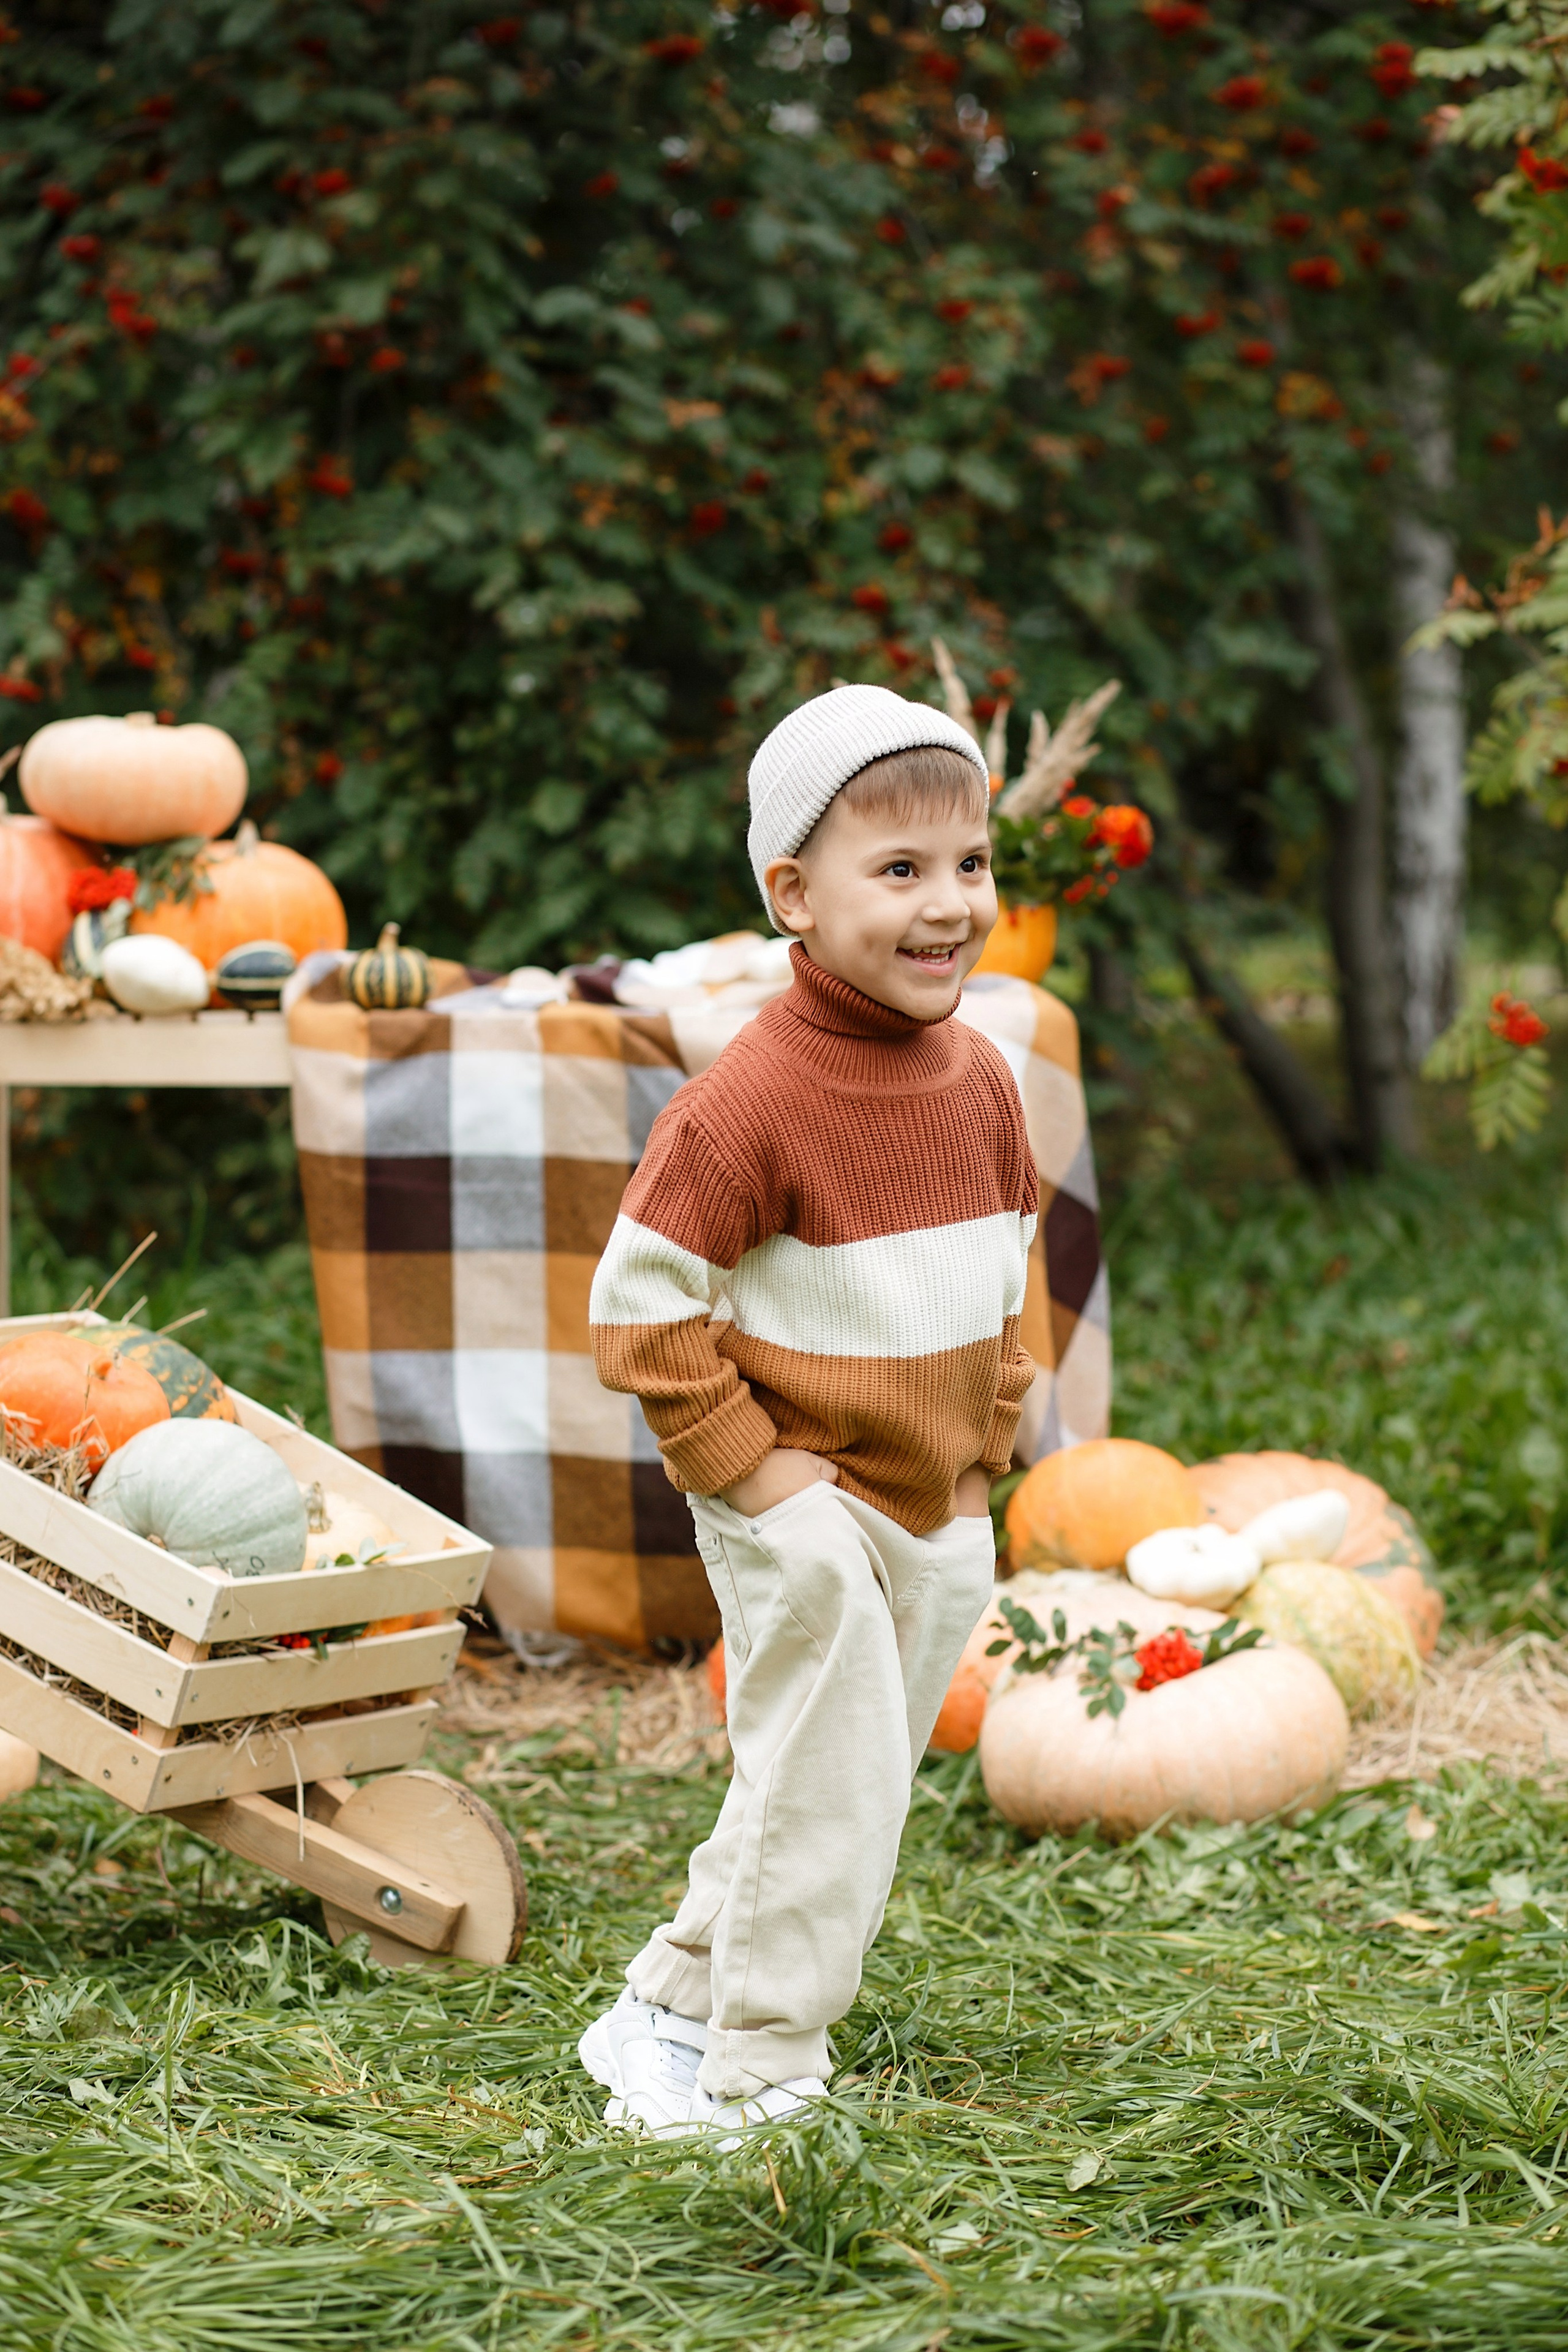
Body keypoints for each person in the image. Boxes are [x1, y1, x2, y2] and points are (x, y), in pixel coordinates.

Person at [580, 683, 1038, 2139]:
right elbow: (639, 1312)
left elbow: (1002, 1281)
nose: (946, 903)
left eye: (968, 863)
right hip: (801, 1501)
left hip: (934, 1498)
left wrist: (982, 1458)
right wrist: (757, 1476)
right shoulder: (747, 1103)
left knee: (835, 1779)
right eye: (897, 869)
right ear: (793, 894)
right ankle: (759, 2067)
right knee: (830, 1786)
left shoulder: (981, 1082)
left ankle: (670, 1997)